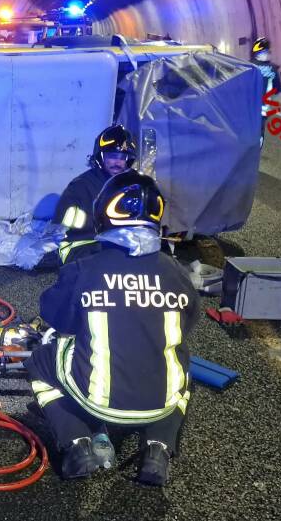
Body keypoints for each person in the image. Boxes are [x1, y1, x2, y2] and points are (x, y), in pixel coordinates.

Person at [26, 171, 199, 485]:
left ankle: (76, 442)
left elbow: (56, 316)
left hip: (96, 398)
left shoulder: (85, 268)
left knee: (39, 361)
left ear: (104, 214)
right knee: (182, 363)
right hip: (160, 405)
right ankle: (158, 448)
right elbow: (189, 320)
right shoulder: (175, 270)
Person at [53, 123, 137, 264]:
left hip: (119, 245)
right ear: (100, 157)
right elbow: (63, 229)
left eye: (122, 157)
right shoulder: (80, 187)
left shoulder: (134, 183)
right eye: (112, 156)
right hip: (83, 245)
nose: (117, 162)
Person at [251, 37, 281, 117]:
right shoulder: (272, 68)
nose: (267, 54)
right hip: (264, 109)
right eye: (265, 52)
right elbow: (277, 87)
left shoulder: (248, 66)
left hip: (249, 109)